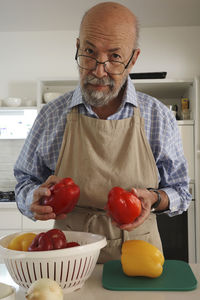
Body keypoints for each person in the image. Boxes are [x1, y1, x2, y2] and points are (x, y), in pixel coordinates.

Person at [14, 2, 191, 263]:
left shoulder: (158, 117)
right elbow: (24, 182)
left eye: (115, 57)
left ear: (133, 59)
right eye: (89, 52)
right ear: (77, 48)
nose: (99, 70)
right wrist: (33, 198)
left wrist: (154, 199)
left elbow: (181, 192)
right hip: (67, 255)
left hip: (139, 256)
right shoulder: (50, 116)